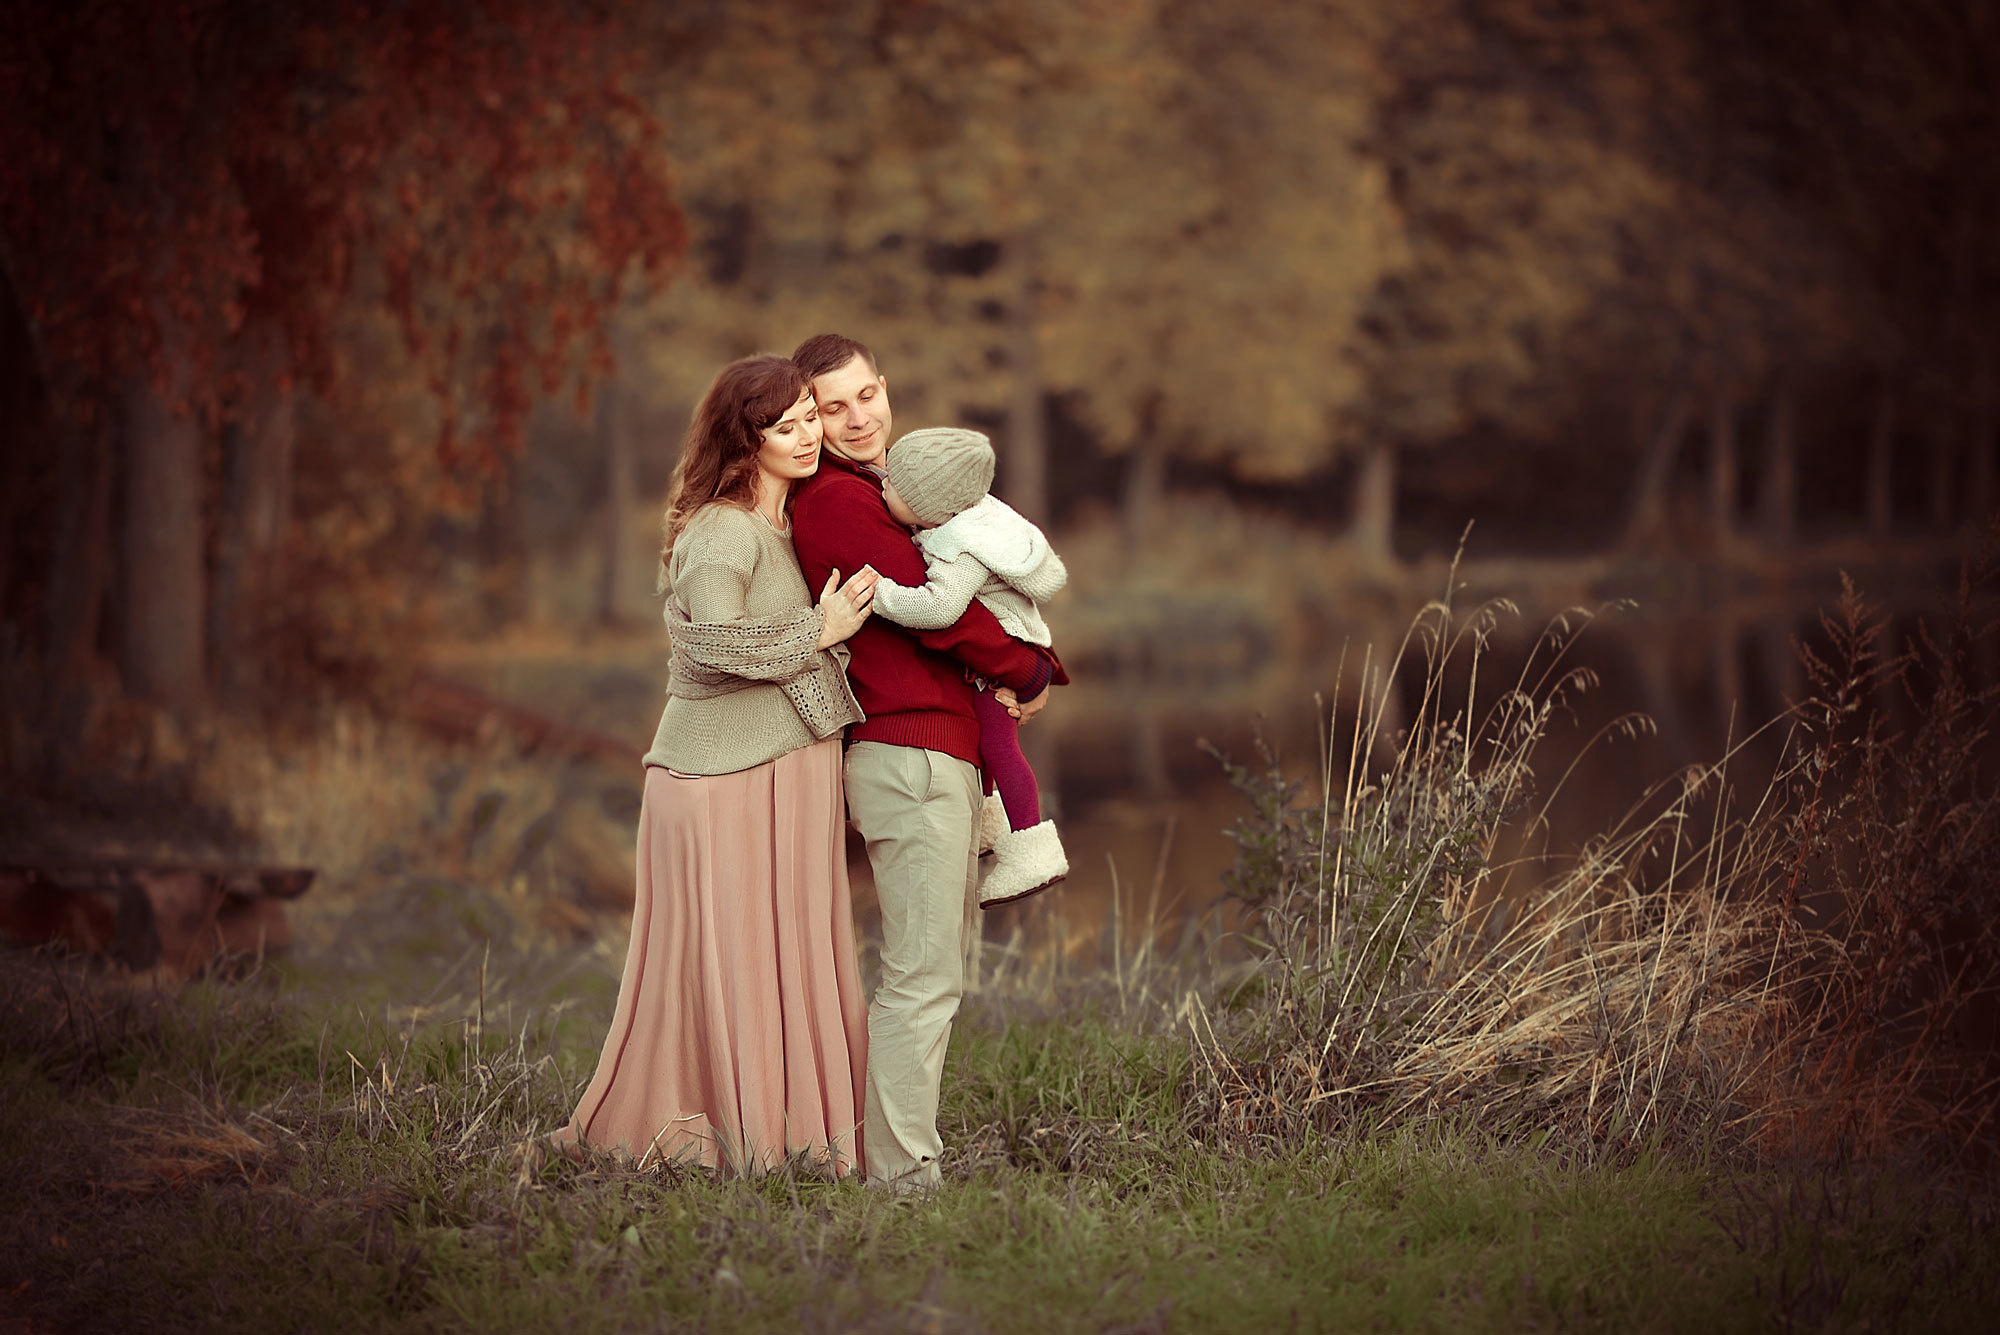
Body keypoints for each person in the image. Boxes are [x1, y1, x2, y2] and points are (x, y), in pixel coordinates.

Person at [557, 354, 881, 1176]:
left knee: (792, 952)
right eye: (787, 426)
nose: (809, 435)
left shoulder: (785, 522)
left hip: (787, 775)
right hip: (723, 782)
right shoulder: (721, 528)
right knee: (735, 961)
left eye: (811, 415)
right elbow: (710, 642)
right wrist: (820, 628)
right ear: (746, 439)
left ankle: (801, 1130)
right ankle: (741, 1135)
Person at [789, 333, 1067, 1194]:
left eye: (865, 394)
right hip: (907, 754)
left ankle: (894, 1157)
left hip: (931, 750)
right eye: (832, 407)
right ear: (810, 418)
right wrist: (1029, 667)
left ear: (885, 388)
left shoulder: (893, 490)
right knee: (921, 976)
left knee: (931, 972)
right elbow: (939, 612)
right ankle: (904, 1180)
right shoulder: (839, 500)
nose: (857, 416)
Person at [872, 426, 1069, 906]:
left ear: (928, 506)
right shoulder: (958, 519)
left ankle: (1031, 851)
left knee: (1001, 747)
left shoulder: (962, 547)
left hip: (1004, 654)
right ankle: (991, 825)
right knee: (985, 739)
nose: (882, 488)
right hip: (1008, 644)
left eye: (892, 486)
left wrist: (879, 594)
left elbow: (941, 610)